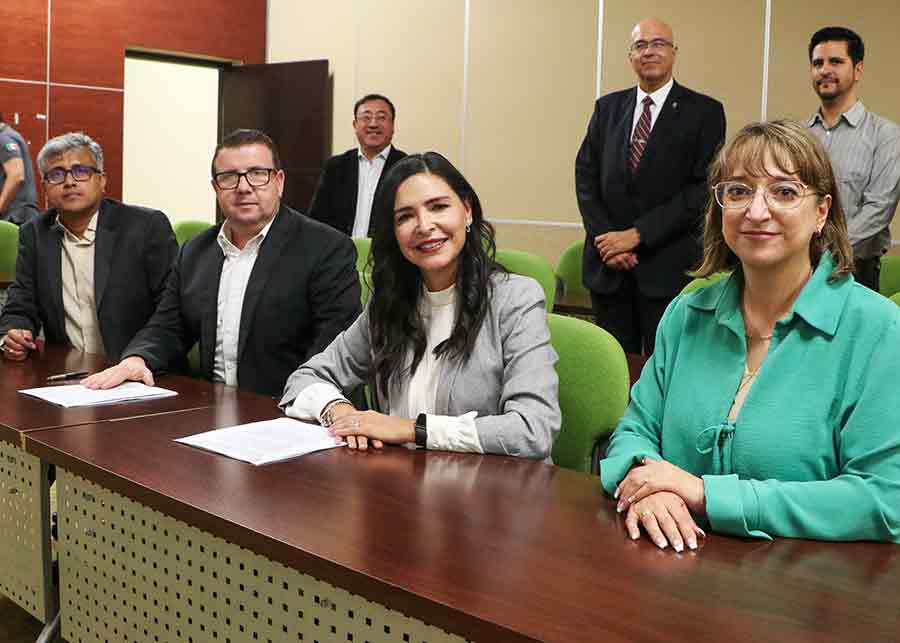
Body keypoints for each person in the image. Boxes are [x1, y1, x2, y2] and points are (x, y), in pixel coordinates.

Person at [599, 120, 900, 548]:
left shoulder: (877, 329)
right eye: (738, 191)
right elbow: (635, 430)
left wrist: (707, 495)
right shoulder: (687, 314)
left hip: (809, 590)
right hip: (673, 569)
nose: (756, 211)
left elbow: (886, 499)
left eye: (784, 192)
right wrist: (650, 485)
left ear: (822, 212)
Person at [280, 152, 560, 460]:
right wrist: (341, 412)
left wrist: (410, 429)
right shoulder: (390, 303)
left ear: (467, 211)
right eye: (405, 216)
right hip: (406, 487)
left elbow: (533, 429)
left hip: (496, 494)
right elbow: (305, 378)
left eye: (438, 207)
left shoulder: (515, 300)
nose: (424, 225)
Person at [83, 129, 361, 398]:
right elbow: (168, 326)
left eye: (257, 174)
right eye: (229, 177)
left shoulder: (326, 248)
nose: (243, 187)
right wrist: (137, 358)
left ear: (279, 182)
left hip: (291, 412)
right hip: (213, 410)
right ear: (216, 187)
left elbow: (331, 350)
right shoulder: (195, 251)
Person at [575, 18, 726, 355]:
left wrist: (638, 235)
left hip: (668, 269)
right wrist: (608, 242)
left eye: (658, 43)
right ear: (630, 56)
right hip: (609, 270)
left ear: (673, 53)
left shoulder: (705, 112)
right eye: (640, 45)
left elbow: (702, 189)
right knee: (614, 369)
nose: (649, 51)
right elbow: (585, 176)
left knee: (665, 367)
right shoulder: (607, 108)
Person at [0, 132, 177, 361]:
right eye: (56, 174)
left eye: (81, 171)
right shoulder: (35, 234)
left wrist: (140, 357)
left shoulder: (145, 228)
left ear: (102, 180)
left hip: (142, 372)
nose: (69, 181)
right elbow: (20, 305)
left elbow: (171, 311)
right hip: (70, 377)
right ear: (45, 187)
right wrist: (15, 332)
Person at [806, 26, 900, 292]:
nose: (824, 70)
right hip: (796, 270)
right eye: (817, 63)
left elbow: (878, 209)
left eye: (836, 61)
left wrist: (823, 254)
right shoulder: (799, 136)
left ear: (858, 70)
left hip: (856, 272)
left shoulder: (886, 135)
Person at [308, 94, 406, 237]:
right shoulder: (335, 167)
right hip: (341, 254)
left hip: (387, 256)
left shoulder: (405, 167)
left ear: (392, 126)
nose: (373, 124)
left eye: (381, 117)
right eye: (366, 117)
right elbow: (317, 219)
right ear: (355, 125)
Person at [0, 113, 40, 226]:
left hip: (16, 217)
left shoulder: (3, 138)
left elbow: (16, 175)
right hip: (21, 215)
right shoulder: (9, 135)